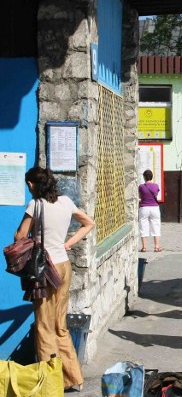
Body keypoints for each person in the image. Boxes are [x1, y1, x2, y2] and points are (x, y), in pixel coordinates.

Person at [14, 167, 95, 391]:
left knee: (43, 325)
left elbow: (19, 236)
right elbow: (89, 223)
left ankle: (50, 381)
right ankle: (73, 377)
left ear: (32, 185)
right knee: (60, 324)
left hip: (44, 269)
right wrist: (68, 244)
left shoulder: (35, 205)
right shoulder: (66, 202)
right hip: (63, 265)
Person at [138, 169, 162, 252]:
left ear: (144, 177)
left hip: (144, 208)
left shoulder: (141, 186)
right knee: (156, 226)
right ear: (152, 177)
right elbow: (156, 194)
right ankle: (156, 246)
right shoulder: (156, 186)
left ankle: (144, 247)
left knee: (143, 226)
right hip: (154, 208)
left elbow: (140, 196)